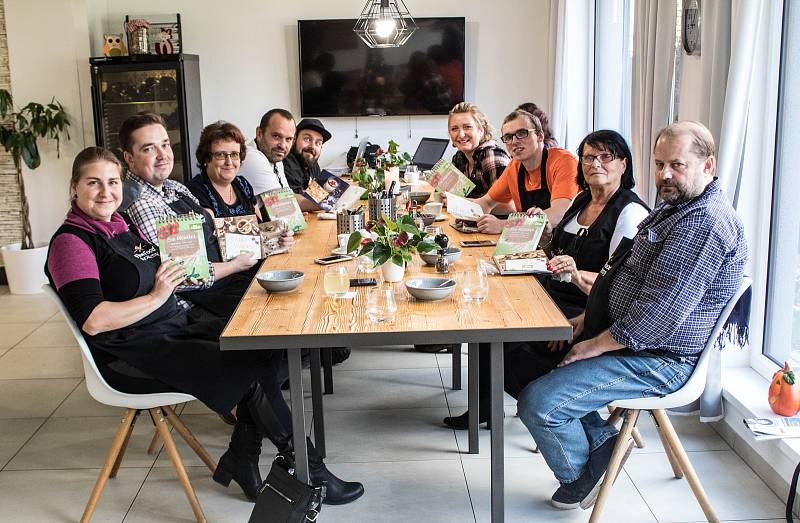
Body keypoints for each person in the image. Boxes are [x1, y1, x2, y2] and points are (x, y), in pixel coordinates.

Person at [46, 147, 364, 506]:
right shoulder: (72, 242)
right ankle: (309, 470)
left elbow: (179, 270)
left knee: (264, 345)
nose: (106, 192)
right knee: (250, 369)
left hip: (173, 327)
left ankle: (243, 457)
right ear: (74, 187)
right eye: (94, 183)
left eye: (113, 182)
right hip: (132, 353)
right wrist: (156, 296)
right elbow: (94, 320)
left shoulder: (119, 226)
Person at [516, 121, 747, 510]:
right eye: (659, 164)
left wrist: (593, 345)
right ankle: (604, 442)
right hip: (629, 337)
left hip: (660, 358)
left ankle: (579, 476)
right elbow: (624, 277)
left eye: (677, 164)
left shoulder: (702, 224)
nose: (665, 175)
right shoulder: (678, 207)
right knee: (523, 355)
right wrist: (589, 320)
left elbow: (657, 318)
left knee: (538, 402)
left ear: (707, 166)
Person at [443, 130, 650, 428]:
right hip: (553, 295)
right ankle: (489, 407)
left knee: (503, 344)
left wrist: (579, 310)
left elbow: (617, 287)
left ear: (623, 165)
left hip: (585, 313)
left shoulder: (628, 213)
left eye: (606, 157)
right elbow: (553, 252)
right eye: (589, 157)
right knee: (488, 315)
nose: (596, 164)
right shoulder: (582, 200)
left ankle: (575, 416)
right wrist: (538, 236)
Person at [118, 112, 280, 319]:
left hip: (227, 284)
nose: (163, 155)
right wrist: (234, 266)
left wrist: (273, 239)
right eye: (149, 148)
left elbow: (219, 237)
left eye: (165, 145)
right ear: (129, 159)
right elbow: (185, 276)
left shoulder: (175, 188)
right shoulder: (142, 203)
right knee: (276, 312)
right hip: (201, 304)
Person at [468, 110, 580, 234]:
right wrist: (454, 203)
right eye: (508, 137)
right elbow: (486, 202)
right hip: (528, 241)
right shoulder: (514, 167)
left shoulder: (563, 161)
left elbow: (559, 214)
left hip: (564, 244)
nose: (514, 141)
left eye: (522, 133)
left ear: (540, 136)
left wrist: (503, 225)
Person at [186, 121, 259, 218]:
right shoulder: (195, 191)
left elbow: (261, 225)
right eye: (220, 155)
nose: (229, 162)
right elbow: (210, 230)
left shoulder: (243, 184)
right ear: (206, 158)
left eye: (234, 154)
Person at [447, 102, 510, 198]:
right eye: (455, 129)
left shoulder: (491, 156)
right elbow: (454, 195)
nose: (461, 135)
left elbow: (508, 204)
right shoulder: (459, 157)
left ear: (481, 131)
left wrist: (464, 203)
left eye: (467, 127)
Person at [238, 108, 295, 195]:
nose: (283, 145)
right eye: (276, 136)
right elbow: (282, 205)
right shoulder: (251, 157)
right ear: (259, 133)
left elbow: (288, 197)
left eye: (288, 139)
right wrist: (322, 202)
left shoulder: (273, 156)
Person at [283, 118, 333, 210]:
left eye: (318, 143)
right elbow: (290, 202)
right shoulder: (287, 161)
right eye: (307, 139)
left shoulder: (312, 162)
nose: (312, 146)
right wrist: (328, 203)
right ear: (294, 140)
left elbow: (320, 193)